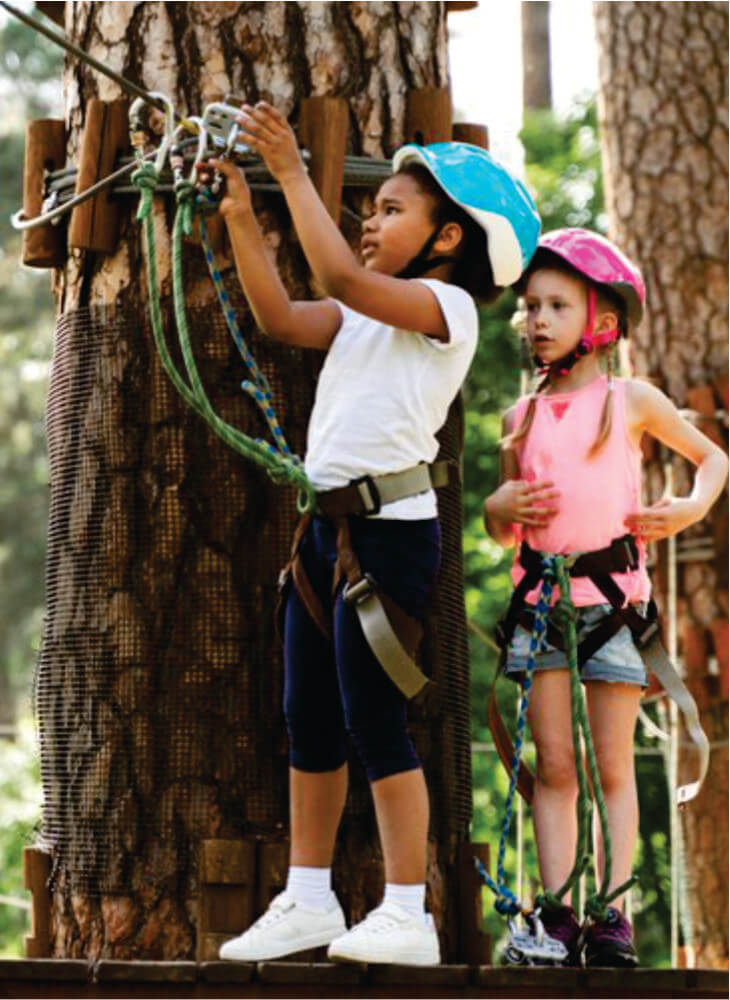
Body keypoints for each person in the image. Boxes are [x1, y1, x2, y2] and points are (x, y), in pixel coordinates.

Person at [210, 101, 540, 966]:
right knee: (307, 718)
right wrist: (245, 217)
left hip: (388, 537)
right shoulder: (366, 314)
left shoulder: (443, 310)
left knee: (374, 719)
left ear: (445, 243)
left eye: (391, 210)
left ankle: (407, 911)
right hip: (326, 535)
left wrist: (290, 172)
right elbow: (286, 318)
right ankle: (309, 894)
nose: (368, 219)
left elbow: (344, 285)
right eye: (371, 206)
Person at [483, 228, 728, 967]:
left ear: (604, 321)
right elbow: (502, 536)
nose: (538, 319)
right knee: (554, 764)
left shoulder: (632, 400)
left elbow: (714, 459)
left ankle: (612, 915)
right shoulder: (517, 419)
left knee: (612, 767)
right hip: (540, 611)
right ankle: (555, 913)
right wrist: (500, 504)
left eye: (557, 304)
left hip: (612, 610)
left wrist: (687, 508)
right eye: (531, 306)